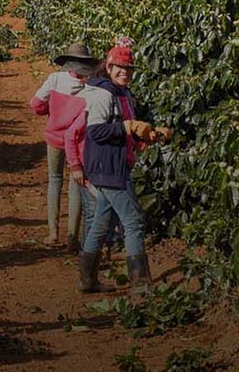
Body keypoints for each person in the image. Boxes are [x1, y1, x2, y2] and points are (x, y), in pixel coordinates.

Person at [76, 39, 170, 295]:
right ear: (108, 67)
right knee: (134, 221)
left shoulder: (123, 93)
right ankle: (140, 285)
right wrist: (128, 128)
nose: (124, 72)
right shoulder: (103, 93)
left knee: (101, 221)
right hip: (108, 168)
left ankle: (87, 280)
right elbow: (96, 132)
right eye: (119, 67)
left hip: (114, 164)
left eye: (128, 69)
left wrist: (148, 134)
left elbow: (124, 126)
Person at [29, 42, 98, 250]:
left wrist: (50, 112)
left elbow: (36, 104)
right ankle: (72, 238)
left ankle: (53, 233)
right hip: (79, 143)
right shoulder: (91, 86)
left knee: (54, 180)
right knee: (75, 186)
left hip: (55, 138)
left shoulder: (55, 79)